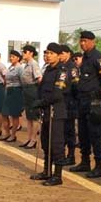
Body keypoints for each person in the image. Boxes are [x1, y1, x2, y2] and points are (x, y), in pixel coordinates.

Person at [70, 31, 101, 178]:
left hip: (93, 102)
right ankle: (85, 162)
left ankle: (99, 166)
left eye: (86, 41)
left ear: (93, 42)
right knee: (83, 134)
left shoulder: (97, 58)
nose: (83, 43)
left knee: (95, 134)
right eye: (81, 41)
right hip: (83, 101)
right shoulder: (85, 59)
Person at [29, 43, 69, 186]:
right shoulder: (47, 69)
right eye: (46, 53)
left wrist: (42, 102)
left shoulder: (62, 71)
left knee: (56, 144)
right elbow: (42, 88)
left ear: (58, 55)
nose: (48, 55)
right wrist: (38, 103)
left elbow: (58, 93)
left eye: (51, 53)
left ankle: (57, 175)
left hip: (56, 111)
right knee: (46, 142)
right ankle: (47, 171)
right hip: (46, 110)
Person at [57, 47, 80, 166]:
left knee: (69, 130)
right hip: (61, 101)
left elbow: (76, 86)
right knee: (61, 130)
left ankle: (71, 156)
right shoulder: (60, 67)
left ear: (69, 54)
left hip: (70, 101)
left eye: (63, 53)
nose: (61, 55)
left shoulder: (72, 67)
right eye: (59, 53)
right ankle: (63, 154)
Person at [20, 45, 42, 149]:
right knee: (28, 117)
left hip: (33, 90)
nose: (23, 53)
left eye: (25, 52)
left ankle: (33, 140)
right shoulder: (26, 65)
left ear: (31, 53)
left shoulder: (34, 64)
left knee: (34, 117)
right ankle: (28, 138)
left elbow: (39, 78)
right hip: (26, 90)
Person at [1, 50, 24, 142]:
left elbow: (23, 81)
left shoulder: (20, 68)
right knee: (4, 113)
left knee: (15, 115)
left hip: (16, 91)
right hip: (8, 91)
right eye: (10, 56)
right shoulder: (10, 67)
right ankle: (7, 133)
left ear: (18, 58)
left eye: (13, 57)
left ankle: (13, 135)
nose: (11, 58)